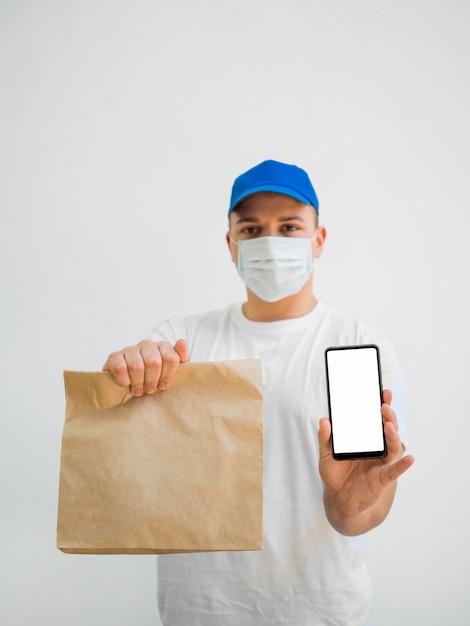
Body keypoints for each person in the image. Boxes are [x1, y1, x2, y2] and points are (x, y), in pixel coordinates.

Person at [103, 159, 414, 626]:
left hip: (320, 610)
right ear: (230, 245)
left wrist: (352, 502)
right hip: (200, 610)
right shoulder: (181, 341)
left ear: (319, 239)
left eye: (289, 227)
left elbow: (356, 516)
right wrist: (124, 379)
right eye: (251, 230)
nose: (271, 242)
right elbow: (129, 460)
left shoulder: (354, 347)